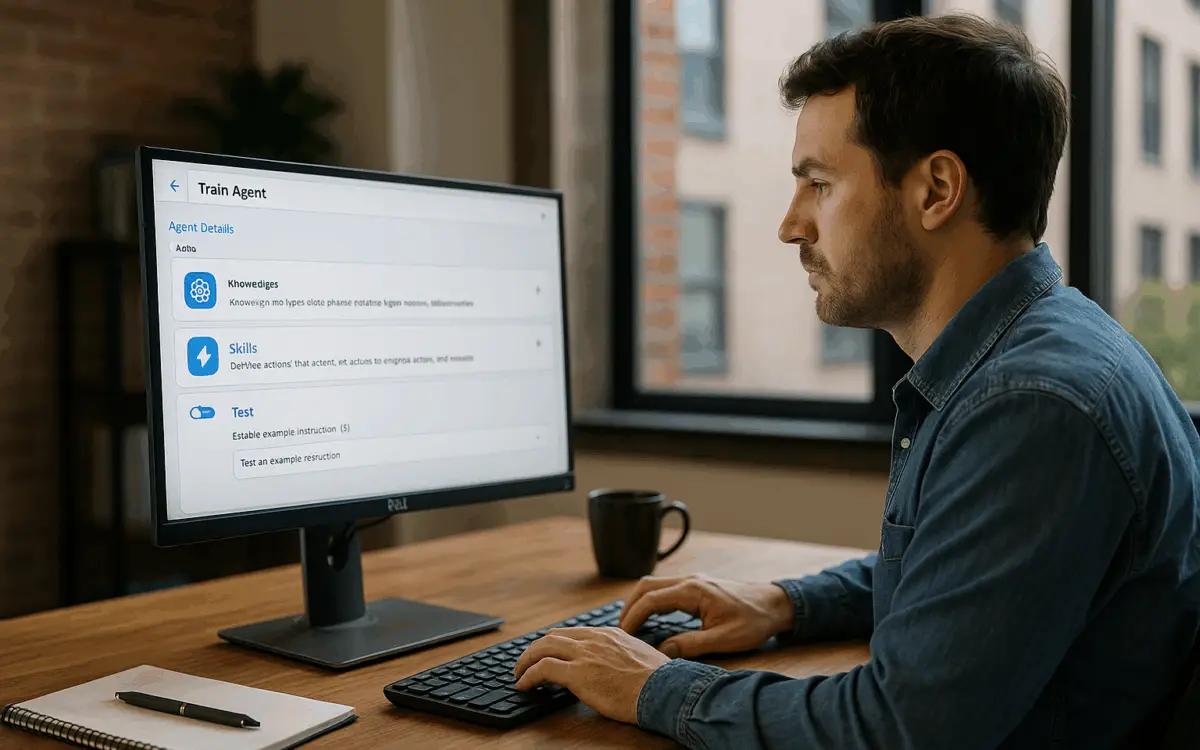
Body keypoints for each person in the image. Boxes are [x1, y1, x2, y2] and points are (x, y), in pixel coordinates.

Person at [512, 12, 1200, 750]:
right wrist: (786, 604)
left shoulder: (1030, 404)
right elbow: (965, 576)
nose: (789, 224)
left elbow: (897, 729)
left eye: (819, 183)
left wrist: (654, 687)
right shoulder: (1038, 351)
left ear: (937, 189)